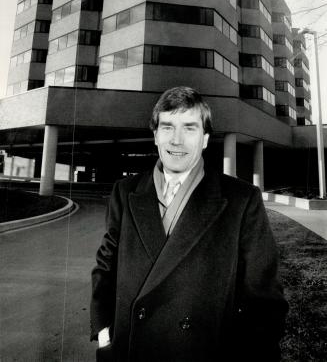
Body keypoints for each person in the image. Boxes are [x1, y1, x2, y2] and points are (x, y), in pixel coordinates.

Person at [90, 86, 288, 362]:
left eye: (190, 128)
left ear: (205, 139)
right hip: (128, 350)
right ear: (156, 135)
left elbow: (264, 301)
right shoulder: (125, 192)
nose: (177, 140)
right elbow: (105, 267)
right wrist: (103, 333)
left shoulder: (241, 200)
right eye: (168, 127)